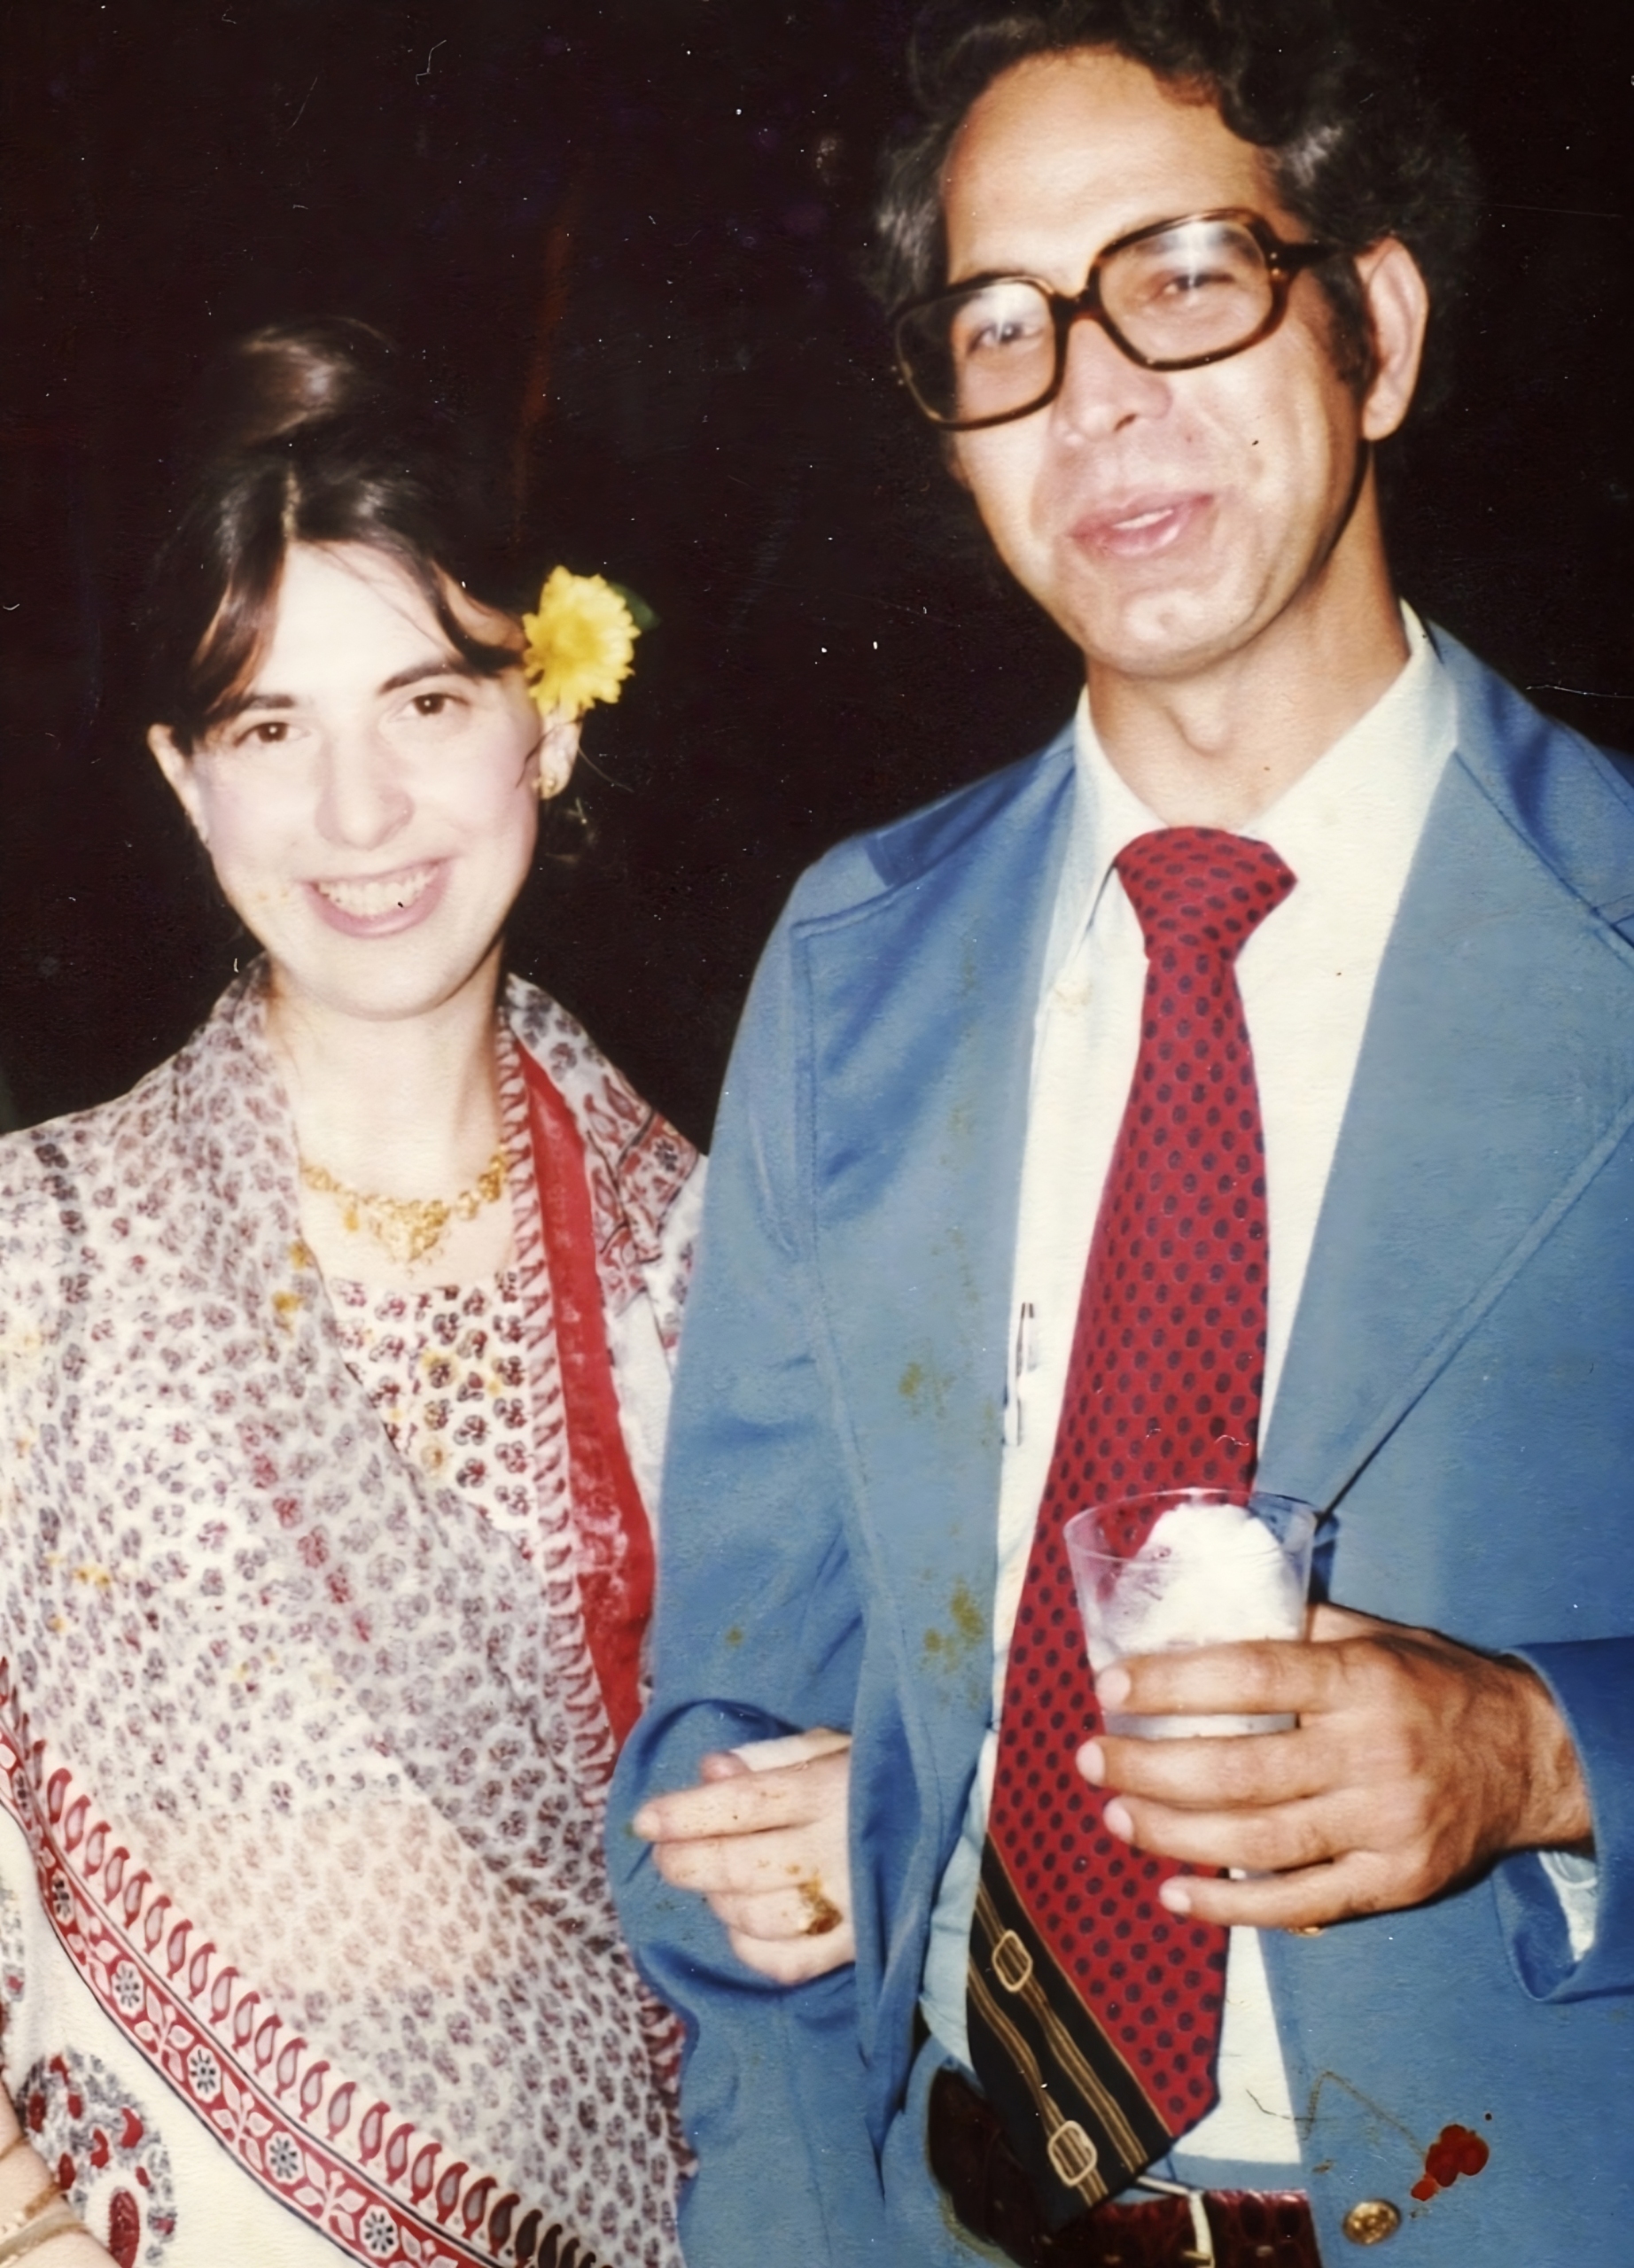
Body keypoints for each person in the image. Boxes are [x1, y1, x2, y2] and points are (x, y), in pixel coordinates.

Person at [611, 3, 1633, 2264]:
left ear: (1372, 327)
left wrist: (1544, 1755)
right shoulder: (853, 965)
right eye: (1004, 326)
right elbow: (723, 1725)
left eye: (1183, 276)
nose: (1095, 394)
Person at [0, 319, 849, 2268]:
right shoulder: (39, 1252)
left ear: (549, 721)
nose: (360, 813)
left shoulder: (722, 1270)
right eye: (268, 730)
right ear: (186, 781)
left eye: (428, 703)